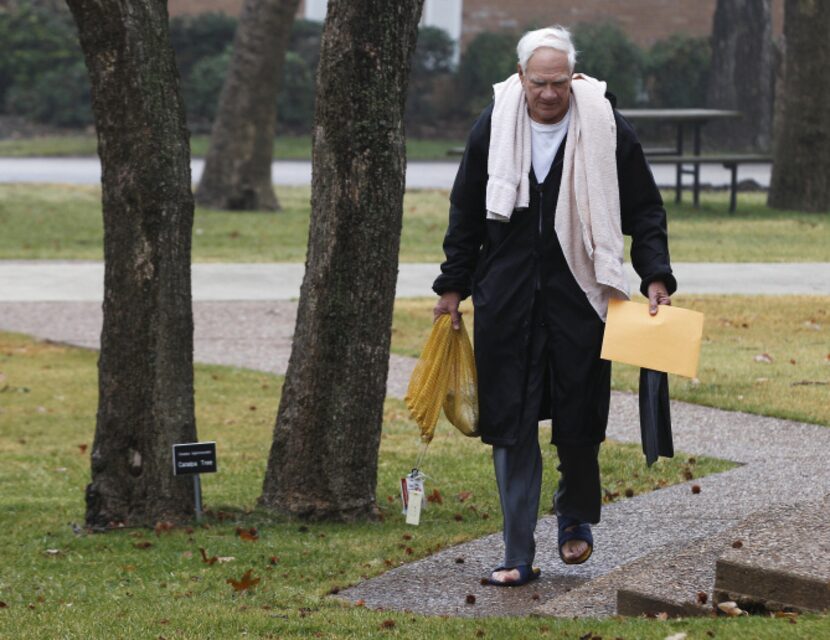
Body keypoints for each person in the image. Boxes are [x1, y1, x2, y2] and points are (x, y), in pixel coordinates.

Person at [432, 25, 676, 587]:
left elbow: (645, 207)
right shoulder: (494, 125)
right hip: (507, 298)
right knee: (510, 425)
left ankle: (574, 517)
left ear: (574, 78)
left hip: (583, 295)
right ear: (521, 78)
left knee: (579, 417)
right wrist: (453, 285)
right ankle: (517, 552)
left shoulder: (604, 125)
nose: (549, 93)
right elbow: (465, 210)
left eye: (559, 83)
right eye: (539, 82)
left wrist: (655, 275)